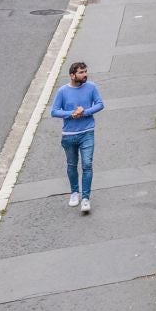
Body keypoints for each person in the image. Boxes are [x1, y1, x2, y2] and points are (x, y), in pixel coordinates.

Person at [49, 60, 104, 213]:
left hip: (87, 132)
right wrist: (72, 114)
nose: (85, 75)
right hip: (69, 135)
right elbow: (54, 111)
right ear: (72, 75)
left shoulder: (91, 87)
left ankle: (85, 198)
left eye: (85, 71)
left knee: (87, 164)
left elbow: (100, 104)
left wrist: (84, 112)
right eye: (81, 72)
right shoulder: (62, 91)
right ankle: (74, 193)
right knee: (72, 165)